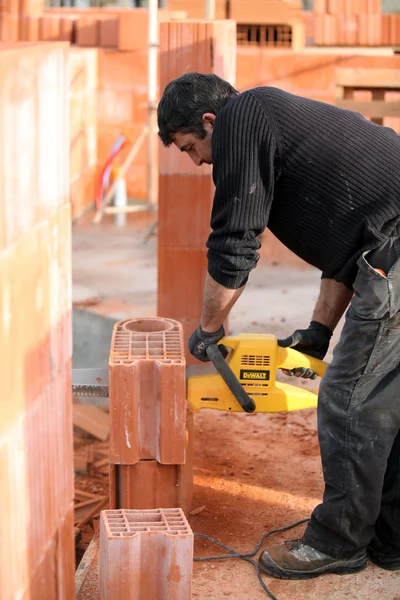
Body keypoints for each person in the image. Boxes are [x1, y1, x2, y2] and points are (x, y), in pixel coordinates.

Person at [157, 72, 400, 580]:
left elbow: (234, 242)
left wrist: (209, 328)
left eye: (189, 148)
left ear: (209, 121)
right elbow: (350, 253)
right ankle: (391, 537)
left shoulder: (243, 117)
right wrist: (319, 330)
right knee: (382, 402)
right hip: (385, 253)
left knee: (348, 400)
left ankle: (337, 542)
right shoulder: (274, 119)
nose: (198, 162)